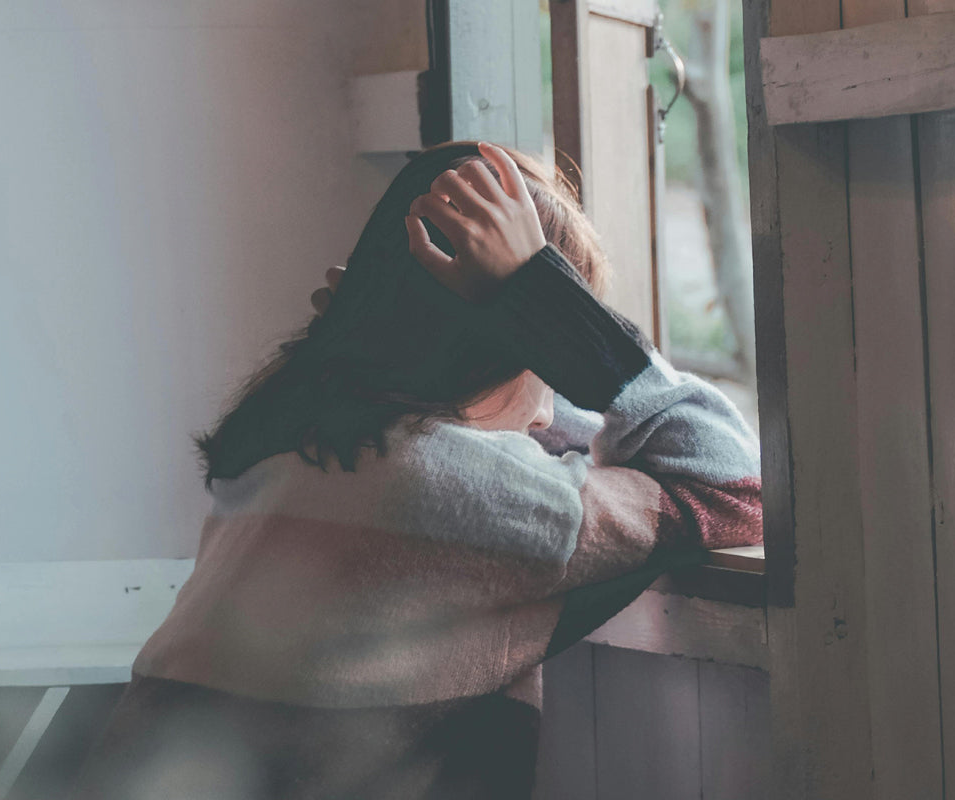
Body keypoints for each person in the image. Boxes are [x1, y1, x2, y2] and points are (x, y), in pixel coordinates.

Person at [67, 140, 763, 799]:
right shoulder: (463, 492)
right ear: (509, 349)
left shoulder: (292, 439)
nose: (552, 412)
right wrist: (553, 308)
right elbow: (734, 484)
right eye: (546, 365)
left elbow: (519, 433)